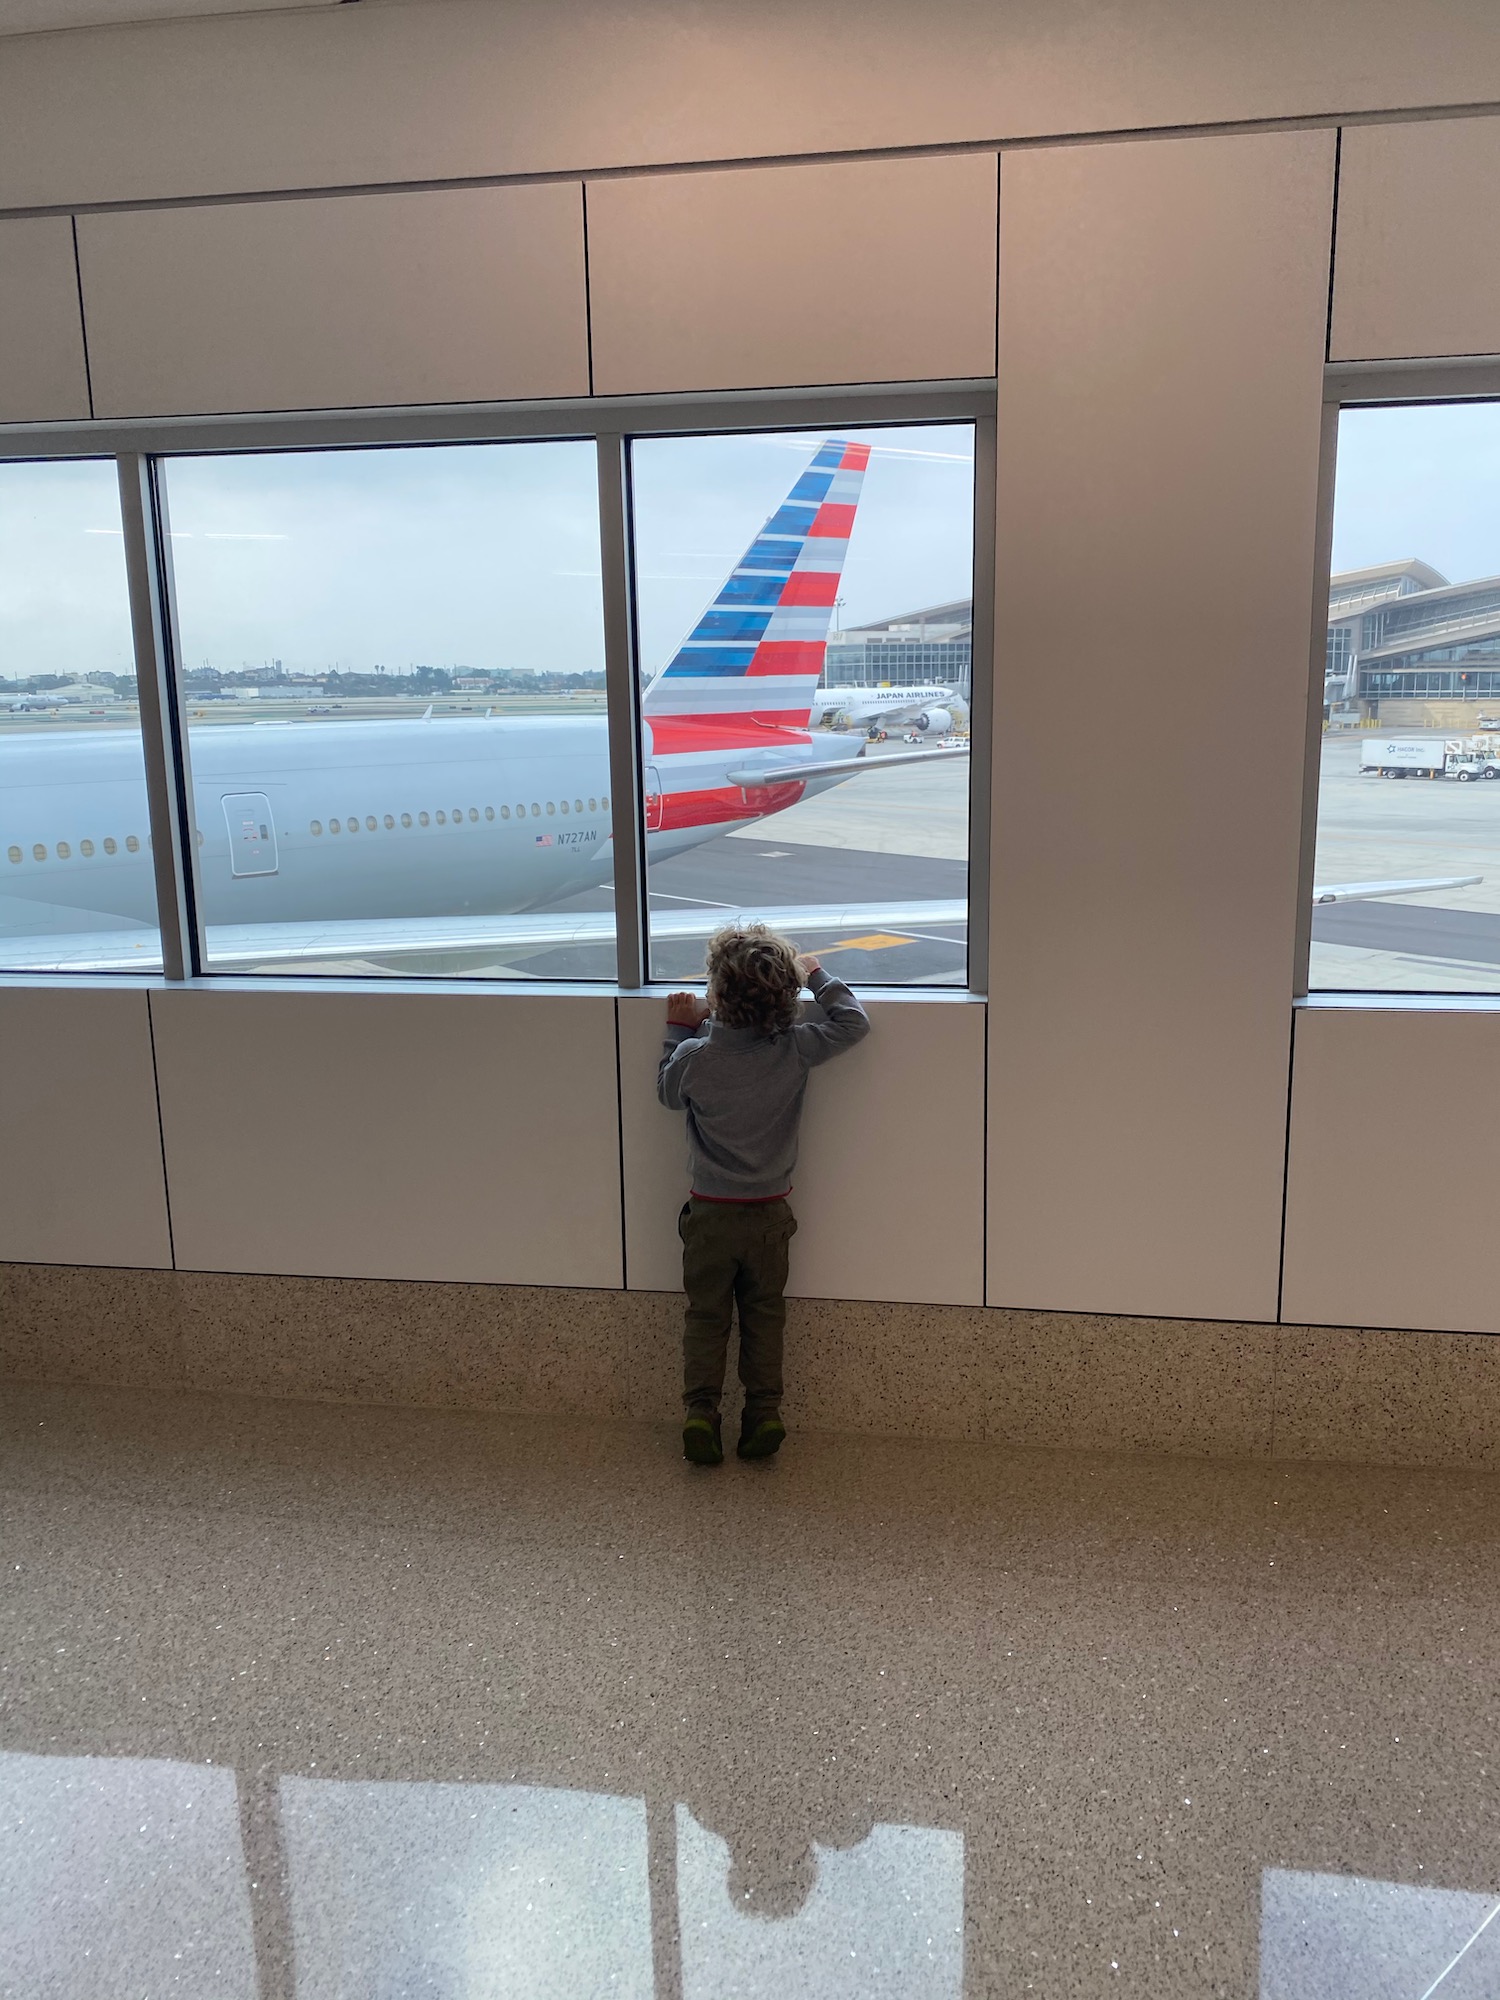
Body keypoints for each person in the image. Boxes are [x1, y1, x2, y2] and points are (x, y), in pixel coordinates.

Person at [657, 923, 870, 1466]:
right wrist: (818, 976)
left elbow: (666, 1094)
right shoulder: (795, 1050)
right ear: (784, 998)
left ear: (716, 995)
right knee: (765, 1315)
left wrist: (678, 1031)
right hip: (770, 1216)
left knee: (706, 1317)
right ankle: (764, 1414)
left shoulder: (694, 1059)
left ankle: (701, 1413)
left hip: (709, 1216)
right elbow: (853, 1023)